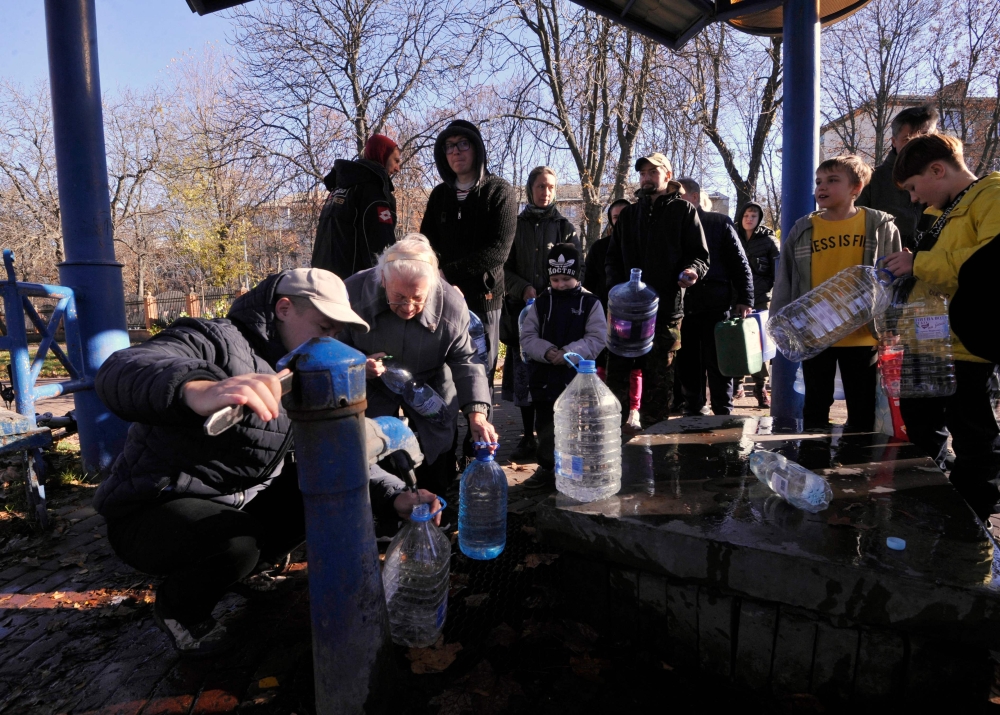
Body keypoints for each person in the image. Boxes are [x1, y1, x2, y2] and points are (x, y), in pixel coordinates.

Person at [93, 268, 439, 657]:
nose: (331, 341)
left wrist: (395, 494)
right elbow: (123, 368)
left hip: (238, 498)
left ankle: (246, 571)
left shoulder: (304, 368)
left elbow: (329, 456)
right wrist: (198, 388)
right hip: (154, 506)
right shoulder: (217, 339)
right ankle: (179, 610)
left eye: (337, 332)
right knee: (237, 544)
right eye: (324, 327)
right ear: (285, 307)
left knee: (312, 494)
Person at [882, 133, 1000, 521]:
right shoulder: (938, 213)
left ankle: (972, 525)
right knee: (919, 435)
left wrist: (918, 264)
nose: (914, 199)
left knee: (974, 440)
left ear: (937, 169)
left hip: (967, 347)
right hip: (924, 343)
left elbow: (987, 265)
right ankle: (924, 511)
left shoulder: (992, 195)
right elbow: (928, 273)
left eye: (914, 188)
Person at [341, 234, 499, 499]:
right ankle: (384, 513)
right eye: (399, 297)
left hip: (432, 381)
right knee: (367, 448)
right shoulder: (351, 293)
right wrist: (356, 364)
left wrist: (477, 413)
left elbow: (465, 361)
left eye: (417, 298)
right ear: (383, 280)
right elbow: (330, 343)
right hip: (372, 383)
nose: (408, 307)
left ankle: (437, 503)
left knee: (437, 452)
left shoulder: (451, 304)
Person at [771, 155, 901, 431]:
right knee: (816, 404)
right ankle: (814, 462)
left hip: (863, 334)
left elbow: (896, 279)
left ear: (856, 186)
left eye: (832, 180)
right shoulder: (803, 228)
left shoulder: (879, 225)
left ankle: (857, 466)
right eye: (818, 181)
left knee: (861, 405)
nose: (822, 187)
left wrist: (893, 324)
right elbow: (786, 278)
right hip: (816, 333)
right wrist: (779, 322)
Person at [605, 153, 710, 426]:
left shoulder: (684, 212)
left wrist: (692, 272)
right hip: (625, 314)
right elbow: (612, 259)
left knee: (657, 382)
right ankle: (614, 437)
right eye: (643, 173)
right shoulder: (628, 215)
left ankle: (655, 445)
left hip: (665, 312)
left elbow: (700, 256)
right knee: (617, 377)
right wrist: (616, 291)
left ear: (667, 175)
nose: (647, 177)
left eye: (653, 171)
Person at [420, 120, 517, 405]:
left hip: (483, 299)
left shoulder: (499, 191)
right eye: (449, 146)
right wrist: (436, 279)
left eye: (463, 144)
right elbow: (425, 243)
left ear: (476, 149)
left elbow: (498, 251)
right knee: (440, 373)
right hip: (441, 299)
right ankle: (444, 444)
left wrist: (448, 275)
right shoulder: (440, 196)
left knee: (478, 370)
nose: (456, 152)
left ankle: (477, 440)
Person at [502, 166, 579, 462]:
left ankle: (553, 436)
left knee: (553, 376)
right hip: (522, 315)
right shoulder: (515, 225)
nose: (545, 192)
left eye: (550, 187)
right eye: (540, 186)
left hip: (557, 315)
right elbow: (503, 268)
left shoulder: (564, 227)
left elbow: (576, 266)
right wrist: (523, 289)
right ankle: (527, 435)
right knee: (525, 378)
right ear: (529, 189)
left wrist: (555, 290)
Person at [519, 243, 606, 491]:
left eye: (566, 279)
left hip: (576, 377)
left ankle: (574, 470)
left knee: (576, 428)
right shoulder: (541, 303)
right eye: (555, 279)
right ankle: (547, 468)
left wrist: (569, 353)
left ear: (576, 275)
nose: (560, 284)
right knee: (545, 426)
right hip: (544, 377)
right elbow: (527, 336)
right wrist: (546, 351)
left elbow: (597, 338)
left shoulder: (590, 303)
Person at [675, 178, 754, 416]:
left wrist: (745, 298)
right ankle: (694, 406)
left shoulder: (718, 222)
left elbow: (740, 262)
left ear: (695, 197)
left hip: (715, 303)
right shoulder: (672, 226)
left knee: (719, 361)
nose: (675, 202)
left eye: (679, 196)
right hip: (683, 305)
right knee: (688, 361)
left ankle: (723, 409)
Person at [584, 198, 644, 432]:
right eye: (615, 217)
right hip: (604, 314)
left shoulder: (640, 246)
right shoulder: (599, 247)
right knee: (602, 364)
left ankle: (634, 411)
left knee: (634, 367)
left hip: (635, 318)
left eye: (624, 216)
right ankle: (603, 410)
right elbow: (589, 283)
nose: (619, 221)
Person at [312, 134, 402, 278]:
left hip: (321, 283)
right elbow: (382, 247)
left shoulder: (338, 190)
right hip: (353, 289)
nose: (398, 168)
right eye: (396, 160)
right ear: (382, 156)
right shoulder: (373, 192)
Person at [857, 106, 939, 251]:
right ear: (894, 142)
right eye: (908, 139)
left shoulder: (944, 180)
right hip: (884, 266)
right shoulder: (871, 180)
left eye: (925, 137)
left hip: (935, 266)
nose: (917, 146)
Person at [733, 201, 780, 407]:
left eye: (753, 216)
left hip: (761, 298)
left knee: (760, 344)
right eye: (746, 215)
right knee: (736, 341)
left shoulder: (768, 240)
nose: (749, 219)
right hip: (736, 298)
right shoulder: (733, 235)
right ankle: (737, 383)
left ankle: (760, 387)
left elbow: (778, 269)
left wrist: (769, 290)